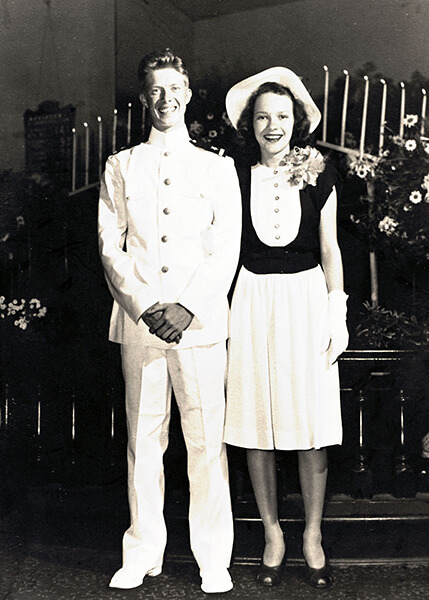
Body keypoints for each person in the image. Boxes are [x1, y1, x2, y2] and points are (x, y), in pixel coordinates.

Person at [98, 48, 242, 594]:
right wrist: (144, 304)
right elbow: (111, 248)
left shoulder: (216, 167)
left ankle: (212, 558)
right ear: (143, 98)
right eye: (155, 90)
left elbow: (225, 247)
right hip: (140, 325)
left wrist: (188, 307)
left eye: (174, 89)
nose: (165, 99)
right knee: (143, 439)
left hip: (198, 325)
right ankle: (142, 552)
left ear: (187, 94)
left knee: (205, 442)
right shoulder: (121, 165)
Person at [223, 67, 349, 589]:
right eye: (262, 117)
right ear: (249, 125)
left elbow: (330, 249)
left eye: (281, 116)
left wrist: (336, 310)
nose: (272, 126)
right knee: (256, 421)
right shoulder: (231, 176)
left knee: (311, 424)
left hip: (305, 299)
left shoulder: (320, 174)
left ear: (296, 121)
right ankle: (273, 534)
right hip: (252, 299)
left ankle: (312, 535)